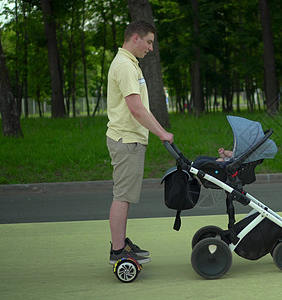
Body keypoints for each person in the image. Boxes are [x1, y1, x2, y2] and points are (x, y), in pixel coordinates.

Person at [106, 20, 173, 265]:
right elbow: (135, 109)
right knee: (122, 196)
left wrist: (158, 130)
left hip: (129, 139)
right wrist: (161, 133)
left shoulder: (130, 63)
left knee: (125, 196)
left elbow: (140, 106)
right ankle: (117, 251)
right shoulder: (124, 65)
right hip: (126, 140)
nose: (151, 48)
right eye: (149, 42)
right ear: (135, 37)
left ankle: (121, 243)